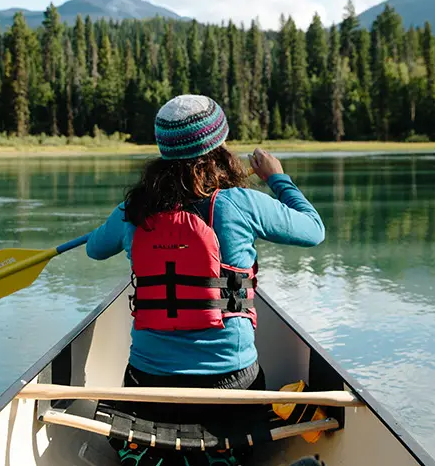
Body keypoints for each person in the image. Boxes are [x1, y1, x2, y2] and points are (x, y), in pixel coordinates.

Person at [86, 94, 325, 466]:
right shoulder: (241, 203)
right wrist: (277, 177)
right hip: (233, 386)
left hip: (148, 386)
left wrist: (117, 224)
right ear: (220, 147)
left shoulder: (131, 211)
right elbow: (314, 230)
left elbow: (94, 250)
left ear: (163, 151)